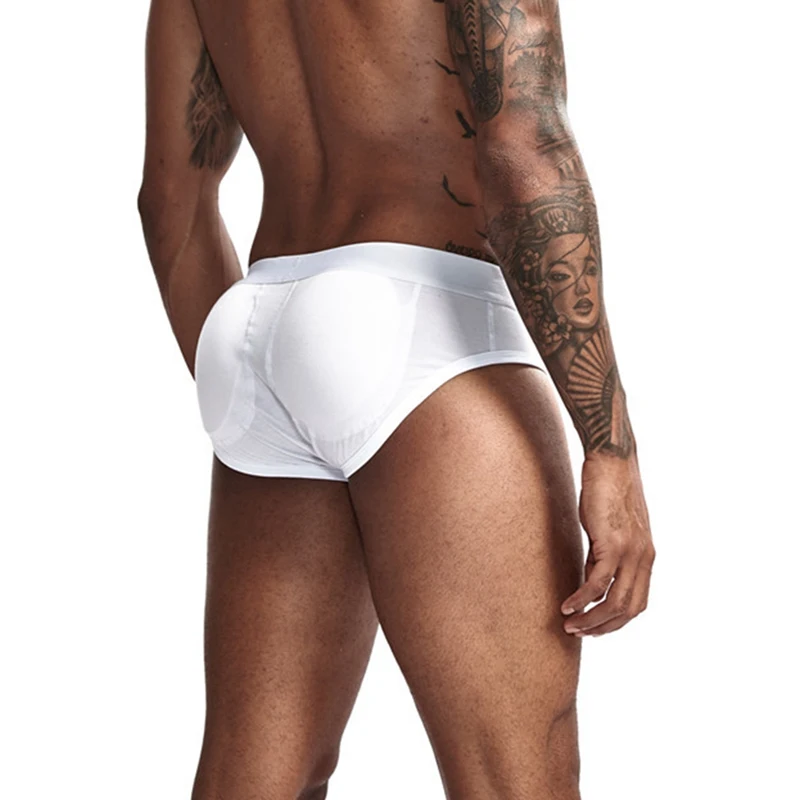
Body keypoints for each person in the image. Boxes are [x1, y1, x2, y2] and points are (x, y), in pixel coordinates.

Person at [137, 0, 655, 797]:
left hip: (261, 318)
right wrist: (609, 445)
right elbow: (524, 146)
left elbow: (171, 197)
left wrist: (262, 380)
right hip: (423, 310)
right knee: (519, 778)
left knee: (259, 777)